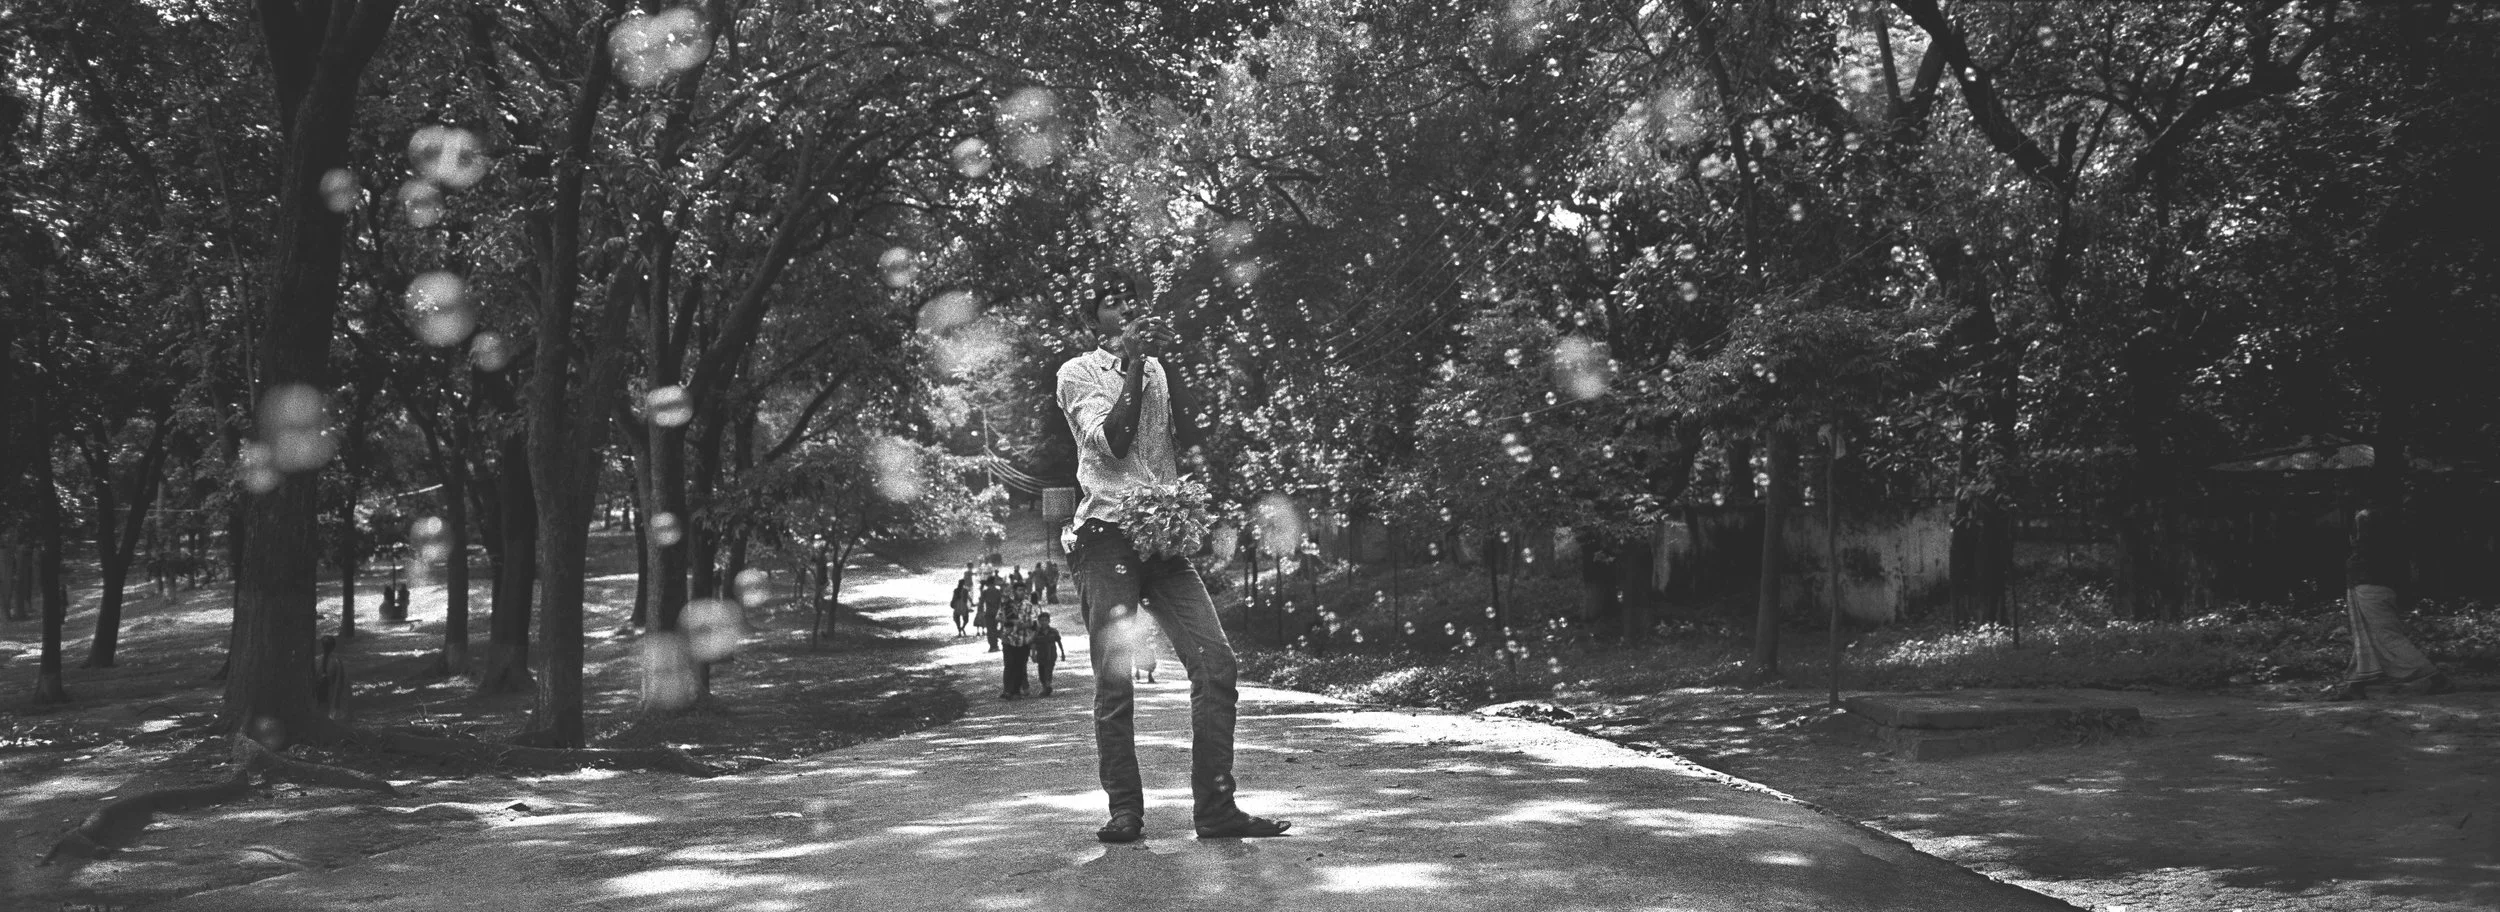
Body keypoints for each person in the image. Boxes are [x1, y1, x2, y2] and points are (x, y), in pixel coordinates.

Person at [1057, 270, 1289, 843]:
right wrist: (1134, 364)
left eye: (1131, 302)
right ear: (1093, 323)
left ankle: (1215, 809)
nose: (1125, 309)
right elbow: (1113, 441)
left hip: (1161, 537)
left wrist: (1164, 360)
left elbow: (1195, 430)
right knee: (1116, 681)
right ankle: (1126, 811)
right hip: (1105, 534)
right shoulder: (1076, 373)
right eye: (1111, 303)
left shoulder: (1155, 367)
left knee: (1216, 665)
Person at [2323, 507, 2454, 700]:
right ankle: (2356, 685)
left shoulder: (2370, 549)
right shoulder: (2383, 547)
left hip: (2371, 591)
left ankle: (2436, 678)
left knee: (2388, 637)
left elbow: (2363, 554)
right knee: (2365, 638)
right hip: (2369, 590)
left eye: (2359, 526)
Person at [1000, 598, 1036, 699]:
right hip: (1008, 641)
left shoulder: (1027, 606)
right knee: (1009, 665)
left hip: (1022, 641)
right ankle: (1008, 690)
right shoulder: (1005, 607)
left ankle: (1018, 690)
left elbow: (1032, 623)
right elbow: (1000, 619)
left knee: (1020, 666)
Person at [1032, 612, 1064, 696]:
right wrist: (1033, 654)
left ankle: (1047, 685)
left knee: (1049, 670)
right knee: (1041, 671)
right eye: (1041, 620)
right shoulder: (1037, 633)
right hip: (1041, 655)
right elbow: (1034, 644)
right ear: (1039, 621)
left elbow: (1059, 642)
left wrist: (1062, 653)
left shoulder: (1053, 631)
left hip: (1051, 655)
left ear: (1049, 621)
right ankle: (1044, 686)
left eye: (1045, 620)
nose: (1044, 622)